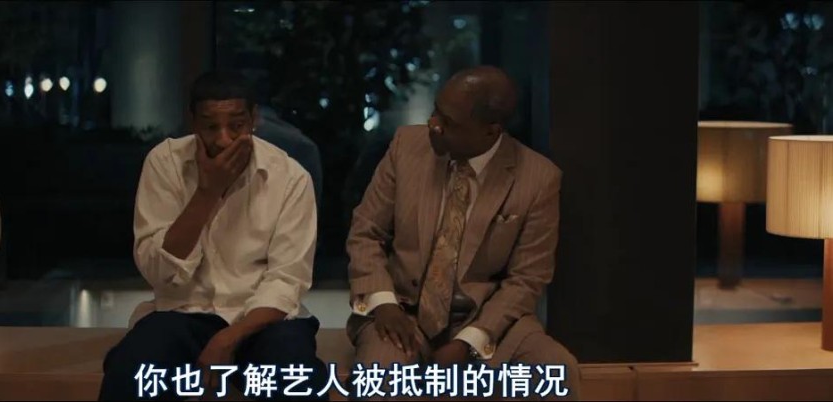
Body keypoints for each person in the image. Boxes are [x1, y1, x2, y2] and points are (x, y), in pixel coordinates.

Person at [346, 66, 581, 400]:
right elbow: (366, 232)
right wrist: (383, 303)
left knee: (556, 370)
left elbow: (527, 278)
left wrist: (470, 341)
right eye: (436, 111)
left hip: (487, 319)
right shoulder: (406, 146)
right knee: (379, 377)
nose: (433, 124)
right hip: (403, 312)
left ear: (491, 131)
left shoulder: (538, 178)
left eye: (449, 122)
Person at [99, 71, 328, 401]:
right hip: (182, 312)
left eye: (236, 125)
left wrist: (227, 339)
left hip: (262, 319)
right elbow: (158, 272)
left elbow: (287, 281)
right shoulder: (165, 163)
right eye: (210, 127)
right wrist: (208, 192)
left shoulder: (290, 177)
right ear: (193, 122)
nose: (224, 139)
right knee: (130, 371)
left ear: (254, 120)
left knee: (296, 377)